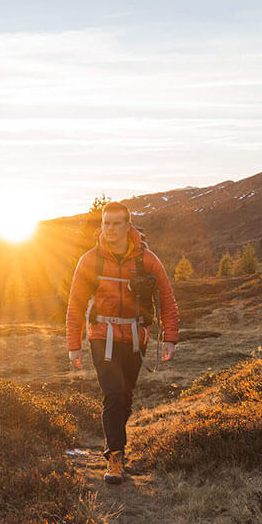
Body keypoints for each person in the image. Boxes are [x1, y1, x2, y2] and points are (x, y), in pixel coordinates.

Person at [66, 202, 179, 484]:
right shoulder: (90, 260)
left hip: (135, 338)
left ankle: (117, 443)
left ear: (128, 227)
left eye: (117, 223)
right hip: (101, 336)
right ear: (102, 226)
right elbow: (76, 304)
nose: (111, 229)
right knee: (114, 392)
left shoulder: (147, 260)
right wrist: (73, 344)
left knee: (125, 398)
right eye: (107, 223)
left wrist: (170, 338)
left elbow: (167, 298)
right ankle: (114, 458)